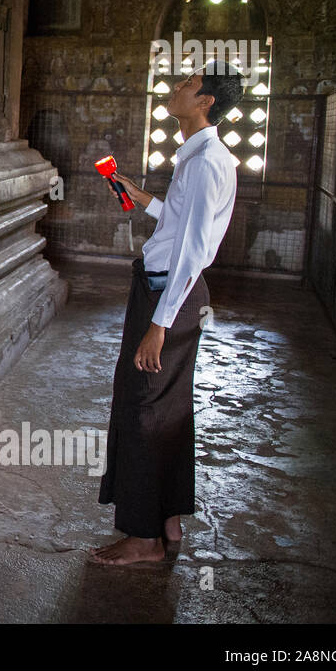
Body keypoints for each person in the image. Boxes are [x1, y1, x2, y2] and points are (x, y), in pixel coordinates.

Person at [90, 60, 244, 566]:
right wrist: (144, 198)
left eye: (190, 83)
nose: (179, 86)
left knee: (143, 409)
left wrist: (158, 326)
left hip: (167, 299)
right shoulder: (200, 156)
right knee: (168, 407)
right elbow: (181, 222)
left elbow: (192, 251)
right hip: (172, 295)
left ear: (205, 103)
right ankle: (169, 517)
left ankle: (143, 538)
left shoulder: (204, 162)